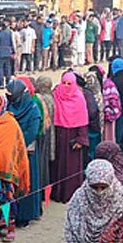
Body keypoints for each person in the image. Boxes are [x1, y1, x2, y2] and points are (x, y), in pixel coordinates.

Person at [0, 93, 30, 241]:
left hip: (6, 170)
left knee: (7, 199)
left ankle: (10, 228)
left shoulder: (10, 123)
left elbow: (17, 146)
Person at [6, 80, 42, 226]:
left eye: (12, 96)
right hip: (10, 151)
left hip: (26, 152)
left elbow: (32, 132)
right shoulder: (8, 107)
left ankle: (26, 215)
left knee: (27, 183)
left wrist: (18, 145)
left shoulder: (33, 109)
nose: (10, 100)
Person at [52, 72, 89, 203]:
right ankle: (57, 193)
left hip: (73, 139)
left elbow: (83, 121)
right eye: (64, 83)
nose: (67, 86)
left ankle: (71, 195)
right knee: (58, 166)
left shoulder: (79, 99)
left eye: (70, 84)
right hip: (58, 136)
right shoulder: (56, 95)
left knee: (71, 168)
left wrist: (80, 139)